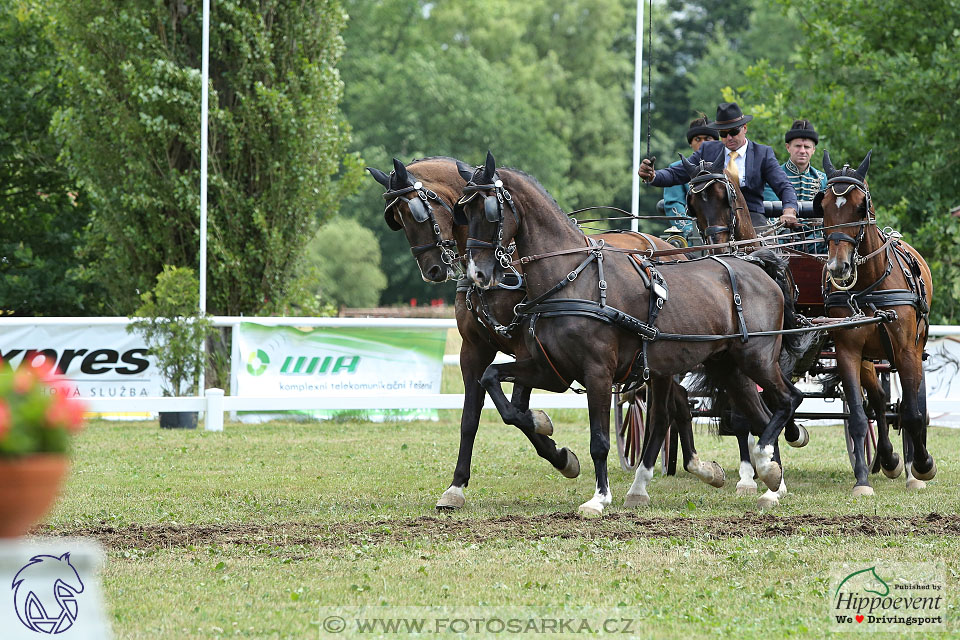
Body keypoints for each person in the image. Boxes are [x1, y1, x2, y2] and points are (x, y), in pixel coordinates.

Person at [638, 102, 799, 231]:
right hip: (713, 220)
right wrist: (653, 175)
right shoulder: (708, 150)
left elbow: (784, 186)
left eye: (734, 132)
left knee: (770, 258)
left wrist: (789, 211)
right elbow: (676, 173)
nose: (729, 137)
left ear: (745, 128)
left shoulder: (762, 153)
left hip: (751, 217)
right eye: (723, 133)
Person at [762, 119, 828, 252]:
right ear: (788, 147)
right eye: (798, 146)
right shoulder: (774, 176)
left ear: (813, 150)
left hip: (815, 240)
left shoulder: (822, 178)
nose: (802, 151)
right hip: (782, 238)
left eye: (807, 147)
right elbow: (772, 213)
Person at [658, 115, 719, 239]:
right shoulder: (678, 169)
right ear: (691, 144)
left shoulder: (730, 166)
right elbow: (674, 203)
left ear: (716, 142)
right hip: (693, 240)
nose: (703, 143)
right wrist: (691, 232)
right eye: (698, 139)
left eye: (708, 138)